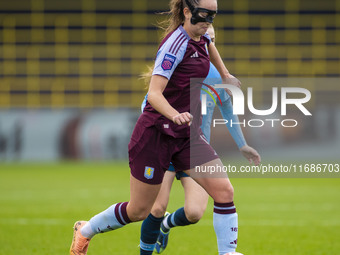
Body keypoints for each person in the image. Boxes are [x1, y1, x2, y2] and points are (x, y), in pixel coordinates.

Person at [69, 0, 250, 255]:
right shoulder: (174, 45)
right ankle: (85, 230)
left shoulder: (202, 36)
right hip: (157, 133)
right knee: (139, 210)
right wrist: (175, 115)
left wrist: (226, 75)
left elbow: (211, 47)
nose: (208, 21)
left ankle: (227, 253)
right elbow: (154, 94)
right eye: (204, 15)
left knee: (224, 191)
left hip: (186, 135)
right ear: (187, 12)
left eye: (213, 16)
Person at [139, 25, 261, 254]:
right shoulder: (178, 68)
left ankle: (167, 225)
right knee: (156, 207)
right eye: (204, 38)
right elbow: (150, 101)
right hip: (167, 144)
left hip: (193, 150)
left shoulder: (217, 77)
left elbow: (228, 111)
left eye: (211, 40)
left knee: (194, 213)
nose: (206, 43)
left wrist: (242, 144)